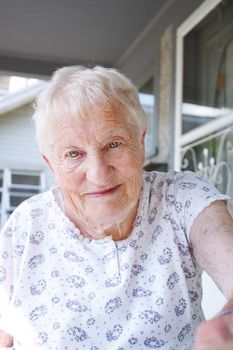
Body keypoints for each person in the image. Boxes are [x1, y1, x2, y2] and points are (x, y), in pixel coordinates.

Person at [0, 66, 233, 350]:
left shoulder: (181, 198)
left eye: (113, 144)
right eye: (73, 154)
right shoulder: (26, 225)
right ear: (50, 164)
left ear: (141, 143)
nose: (98, 174)